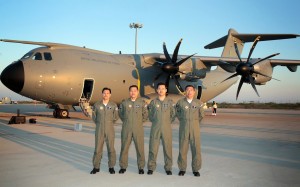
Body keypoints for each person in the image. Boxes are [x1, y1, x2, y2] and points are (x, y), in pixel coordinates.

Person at [147, 83, 176, 175]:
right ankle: (151, 167)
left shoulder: (170, 102)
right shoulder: (153, 102)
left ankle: (168, 168)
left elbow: (173, 115)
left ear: (166, 90)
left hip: (166, 128)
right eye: (159, 88)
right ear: (157, 90)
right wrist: (157, 121)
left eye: (163, 88)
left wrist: (166, 122)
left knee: (168, 148)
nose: (161, 90)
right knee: (153, 148)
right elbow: (150, 115)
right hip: (155, 127)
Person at [118, 85, 148, 174]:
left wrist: (138, 122)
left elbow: (145, 115)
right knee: (124, 148)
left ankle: (141, 167)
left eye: (135, 91)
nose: (133, 92)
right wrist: (127, 121)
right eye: (131, 91)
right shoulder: (124, 103)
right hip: (126, 128)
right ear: (129, 92)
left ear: (137, 92)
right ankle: (123, 166)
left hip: (138, 128)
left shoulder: (142, 103)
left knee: (140, 148)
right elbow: (121, 114)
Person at [175, 85, 204, 177]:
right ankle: (182, 169)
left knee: (196, 149)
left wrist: (194, 122)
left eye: (191, 90)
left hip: (195, 128)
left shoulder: (198, 102)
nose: (189, 92)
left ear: (194, 91)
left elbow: (201, 115)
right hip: (184, 127)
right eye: (187, 90)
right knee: (182, 149)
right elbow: (178, 113)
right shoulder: (180, 102)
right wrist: (184, 120)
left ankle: (196, 169)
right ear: (185, 92)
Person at [90, 87, 119, 174]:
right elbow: (94, 117)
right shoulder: (97, 105)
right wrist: (100, 123)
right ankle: (96, 167)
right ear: (102, 94)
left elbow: (116, 117)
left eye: (107, 93)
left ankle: (111, 167)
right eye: (104, 93)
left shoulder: (113, 105)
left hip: (110, 129)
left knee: (111, 148)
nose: (106, 95)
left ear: (110, 94)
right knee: (98, 149)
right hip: (99, 128)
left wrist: (109, 123)